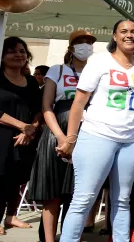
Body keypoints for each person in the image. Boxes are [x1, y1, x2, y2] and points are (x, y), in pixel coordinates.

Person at [56, 19, 134, 242]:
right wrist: (71, 138)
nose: (130, 35)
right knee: (83, 199)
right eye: (124, 31)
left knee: (122, 201)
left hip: (132, 142)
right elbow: (78, 104)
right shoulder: (99, 61)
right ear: (115, 36)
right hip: (97, 137)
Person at [28, 30, 96, 242]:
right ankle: (48, 239)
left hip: (88, 133)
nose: (86, 46)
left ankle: (71, 237)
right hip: (56, 132)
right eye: (81, 42)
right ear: (71, 47)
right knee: (52, 192)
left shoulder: (97, 71)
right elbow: (47, 106)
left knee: (78, 193)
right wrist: (60, 136)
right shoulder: (57, 71)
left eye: (89, 43)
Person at [0, 37, 42, 242]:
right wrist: (21, 125)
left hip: (22, 146)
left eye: (22, 50)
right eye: (12, 51)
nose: (18, 54)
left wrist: (31, 129)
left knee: (2, 199)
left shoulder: (30, 82)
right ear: (2, 56)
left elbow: (38, 110)